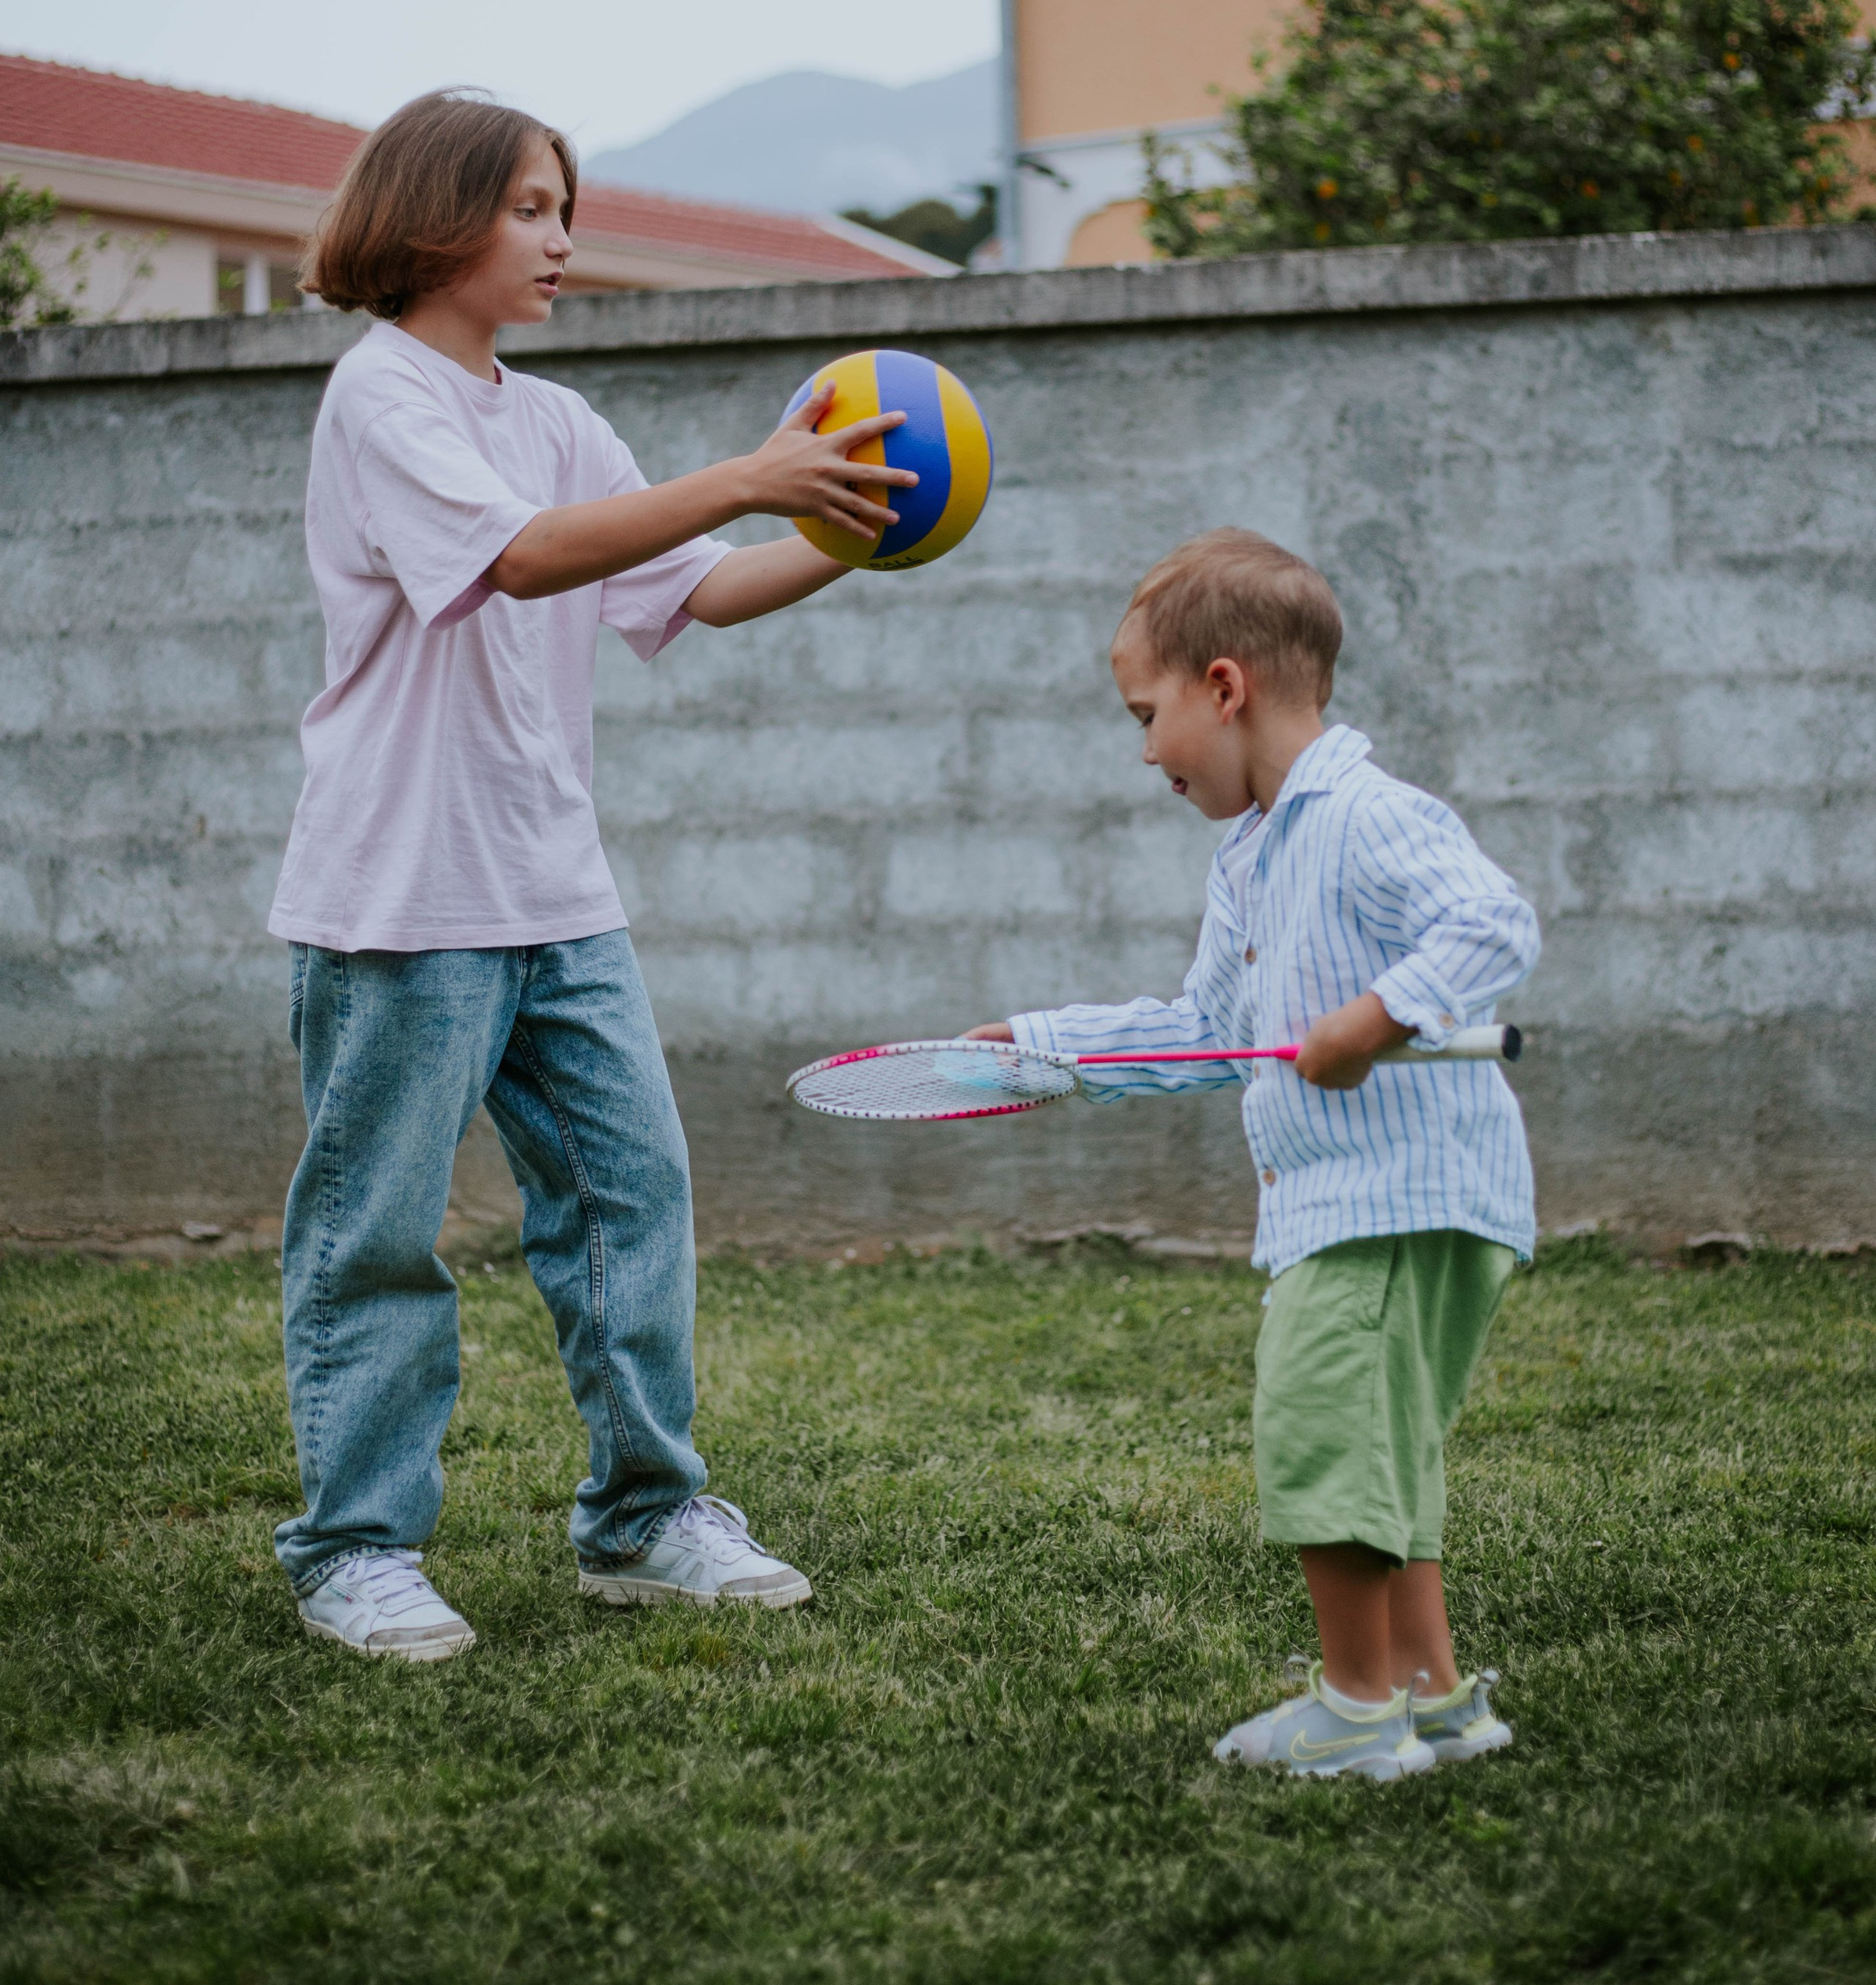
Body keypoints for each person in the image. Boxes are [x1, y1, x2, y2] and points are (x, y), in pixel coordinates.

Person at [265, 88, 918, 1662]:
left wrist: (852, 526)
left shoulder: (558, 423)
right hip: (402, 901)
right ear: (435, 218)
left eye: (567, 209)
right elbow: (520, 560)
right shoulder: (383, 397)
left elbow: (689, 587)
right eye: (531, 210)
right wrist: (751, 472)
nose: (562, 239)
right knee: (379, 1233)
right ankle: (354, 1547)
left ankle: (641, 1517)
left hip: (557, 896)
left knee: (631, 1200)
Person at [967, 528, 1540, 1782]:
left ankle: (1351, 1709)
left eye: (1145, 713)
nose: (1143, 752)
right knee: (1383, 1451)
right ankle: (1436, 1702)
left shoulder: (1364, 814)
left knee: (1325, 1438)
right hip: (1360, 1205)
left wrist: (1372, 1019)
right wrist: (1046, 1046)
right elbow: (1210, 1033)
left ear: (1223, 687)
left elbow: (1493, 920)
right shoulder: (1254, 852)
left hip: (1395, 1201)